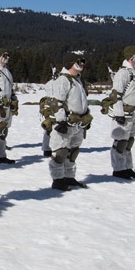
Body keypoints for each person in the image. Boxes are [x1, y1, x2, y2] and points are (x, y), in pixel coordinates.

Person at [46, 54, 92, 191]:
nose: (82, 64)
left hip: (78, 122)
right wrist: (61, 121)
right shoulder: (63, 80)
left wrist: (86, 116)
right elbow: (57, 102)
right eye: (78, 62)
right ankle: (58, 180)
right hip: (66, 122)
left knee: (72, 152)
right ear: (69, 63)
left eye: (83, 61)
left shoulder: (78, 80)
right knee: (60, 152)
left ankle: (69, 176)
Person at [108, 45, 135, 180]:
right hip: (124, 112)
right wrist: (119, 113)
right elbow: (115, 94)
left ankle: (127, 167)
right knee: (121, 142)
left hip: (134, 112)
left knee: (129, 142)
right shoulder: (124, 73)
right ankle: (119, 169)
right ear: (131, 57)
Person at [0, 49, 18, 165]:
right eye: (4, 55)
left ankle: (1, 155)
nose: (7, 57)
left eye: (8, 55)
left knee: (4, 131)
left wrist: (14, 100)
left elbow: (10, 88)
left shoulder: (7, 71)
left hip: (8, 106)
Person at [40, 65, 60, 157]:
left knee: (49, 128)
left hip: (49, 108)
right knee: (50, 128)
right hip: (51, 108)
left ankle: (48, 148)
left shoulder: (49, 84)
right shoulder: (53, 84)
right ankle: (49, 148)